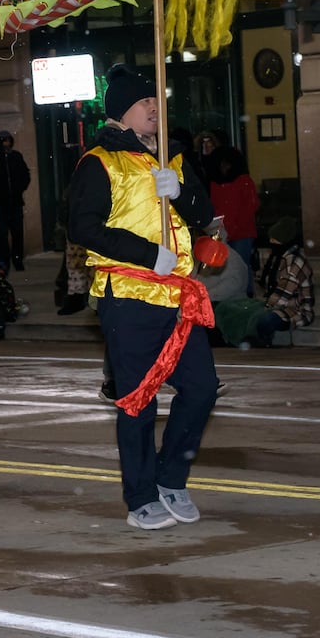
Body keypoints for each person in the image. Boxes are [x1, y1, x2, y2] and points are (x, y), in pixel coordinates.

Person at [67, 63, 223, 531]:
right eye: (144, 102)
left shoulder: (172, 155)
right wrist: (144, 253)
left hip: (178, 295)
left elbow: (204, 214)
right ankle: (140, 496)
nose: (155, 107)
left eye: (156, 100)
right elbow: (83, 227)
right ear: (120, 115)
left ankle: (171, 475)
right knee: (138, 398)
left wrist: (180, 193)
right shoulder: (99, 161)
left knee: (201, 388)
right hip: (130, 295)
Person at [213, 217, 313, 347]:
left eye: (274, 239)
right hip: (272, 302)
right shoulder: (277, 257)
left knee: (263, 319)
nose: (271, 242)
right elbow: (264, 281)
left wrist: (256, 308)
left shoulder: (293, 262)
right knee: (227, 307)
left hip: (294, 309)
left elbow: (282, 295)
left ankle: (256, 339)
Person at [206, 146, 259, 298]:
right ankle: (234, 294)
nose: (224, 167)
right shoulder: (215, 184)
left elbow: (251, 206)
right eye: (222, 164)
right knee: (227, 266)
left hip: (241, 232)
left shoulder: (243, 181)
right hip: (224, 231)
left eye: (227, 164)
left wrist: (233, 226)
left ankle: (246, 294)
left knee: (242, 265)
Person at [0, 130, 31, 273]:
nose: (6, 144)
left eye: (8, 141)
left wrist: (20, 189)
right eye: (4, 141)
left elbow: (25, 175)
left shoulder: (16, 157)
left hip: (15, 201)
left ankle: (17, 260)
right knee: (1, 234)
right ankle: (4, 261)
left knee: (17, 233)